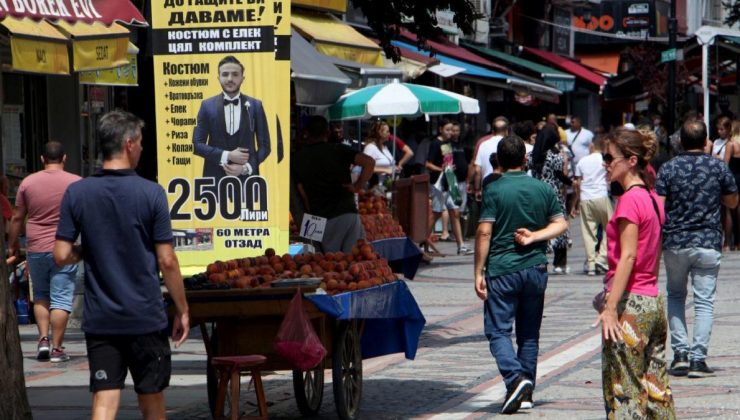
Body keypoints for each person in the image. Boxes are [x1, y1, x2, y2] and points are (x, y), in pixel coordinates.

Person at [53, 110, 190, 419]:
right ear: (129, 144)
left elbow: (60, 255)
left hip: (101, 318)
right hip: (146, 317)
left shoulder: (78, 192)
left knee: (105, 398)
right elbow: (166, 260)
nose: (142, 148)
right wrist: (182, 308)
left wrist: (86, 251)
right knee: (152, 400)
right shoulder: (151, 193)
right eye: (140, 142)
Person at [474, 135, 567, 414]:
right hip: (536, 267)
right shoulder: (542, 188)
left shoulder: (494, 189)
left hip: (502, 269)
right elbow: (561, 224)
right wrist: (535, 236)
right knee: (529, 334)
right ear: (525, 160)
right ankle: (525, 393)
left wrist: (478, 270)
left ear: (499, 162)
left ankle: (516, 378)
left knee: (497, 330)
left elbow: (484, 232)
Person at [595, 128, 675, 419]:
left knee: (625, 390)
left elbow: (628, 256)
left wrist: (611, 306)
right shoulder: (653, 198)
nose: (605, 163)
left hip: (632, 307)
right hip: (652, 301)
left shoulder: (629, 200)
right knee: (656, 390)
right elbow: (648, 257)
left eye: (609, 158)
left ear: (630, 161)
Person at [656, 120, 738, 378]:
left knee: (676, 295)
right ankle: (698, 359)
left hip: (675, 243)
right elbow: (733, 202)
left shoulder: (668, 168)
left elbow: (659, 205)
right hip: (707, 241)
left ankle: (679, 354)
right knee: (703, 302)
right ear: (706, 142)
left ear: (680, 141)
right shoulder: (718, 167)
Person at [7, 141, 81, 362]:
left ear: (42, 159)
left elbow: (18, 217)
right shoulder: (76, 183)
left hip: (36, 246)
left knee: (40, 295)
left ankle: (43, 340)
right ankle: (58, 349)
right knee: (61, 298)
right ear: (64, 158)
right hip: (65, 247)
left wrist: (12, 244)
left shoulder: (28, 183)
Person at [293, 116, 374, 253]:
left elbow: (303, 194)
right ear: (328, 132)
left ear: (306, 133)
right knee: (352, 264)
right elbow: (369, 162)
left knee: (320, 265)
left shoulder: (297, 158)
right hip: (346, 213)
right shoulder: (338, 149)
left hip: (315, 217)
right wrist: (357, 186)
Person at [193, 55, 271, 181]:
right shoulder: (206, 106)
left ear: (242, 78)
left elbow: (265, 146)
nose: (230, 79)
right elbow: (197, 145)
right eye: (225, 74)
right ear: (218, 78)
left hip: (248, 182)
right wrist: (227, 155)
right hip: (214, 181)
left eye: (235, 74)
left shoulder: (256, 105)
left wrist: (246, 167)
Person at [529, 123, 571, 274]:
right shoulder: (555, 156)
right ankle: (559, 263)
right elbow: (560, 176)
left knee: (540, 224)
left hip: (535, 193)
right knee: (559, 224)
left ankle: (539, 256)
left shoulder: (531, 156)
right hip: (553, 193)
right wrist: (572, 182)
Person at [426, 119, 471, 255]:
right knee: (436, 213)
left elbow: (447, 162)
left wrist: (450, 168)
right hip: (439, 183)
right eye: (447, 129)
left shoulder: (448, 143)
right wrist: (441, 169)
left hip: (451, 180)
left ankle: (461, 245)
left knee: (455, 212)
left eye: (452, 129)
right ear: (440, 129)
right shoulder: (436, 143)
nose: (450, 132)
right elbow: (428, 164)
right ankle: (422, 241)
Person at [571, 136, 612, 276]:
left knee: (589, 233)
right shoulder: (604, 160)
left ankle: (591, 264)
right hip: (601, 196)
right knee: (610, 228)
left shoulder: (582, 161)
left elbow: (577, 184)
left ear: (592, 146)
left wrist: (574, 205)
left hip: (585, 198)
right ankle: (602, 257)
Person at [724, 119, 740, 250]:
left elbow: (725, 164)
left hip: (733, 177)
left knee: (729, 209)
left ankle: (728, 243)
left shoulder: (731, 144)